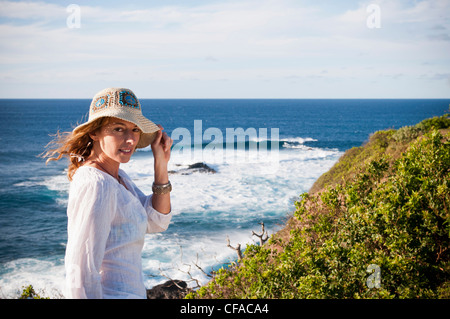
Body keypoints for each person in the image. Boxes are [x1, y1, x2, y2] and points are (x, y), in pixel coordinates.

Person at [42, 88, 173, 299]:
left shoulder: (119, 179)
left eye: (135, 130)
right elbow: (80, 270)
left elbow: (157, 221)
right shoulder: (96, 184)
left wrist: (161, 163)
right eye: (119, 129)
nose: (130, 139)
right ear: (94, 132)